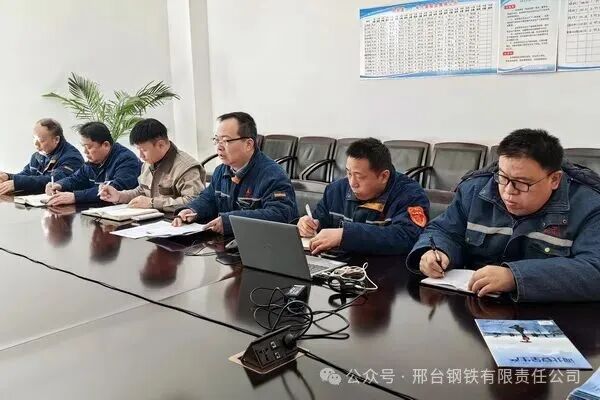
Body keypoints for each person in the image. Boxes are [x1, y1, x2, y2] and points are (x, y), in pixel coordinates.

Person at [407, 129, 600, 302]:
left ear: (555, 179)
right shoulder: (474, 190)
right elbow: (444, 230)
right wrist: (436, 251)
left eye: (522, 183)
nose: (508, 191)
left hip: (557, 316)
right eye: (502, 177)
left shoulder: (590, 206)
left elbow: (594, 269)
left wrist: (515, 277)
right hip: (475, 305)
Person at [297, 138, 429, 255]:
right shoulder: (336, 189)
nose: (352, 183)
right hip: (338, 267)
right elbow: (320, 220)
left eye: (359, 176)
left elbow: (406, 237)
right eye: (349, 173)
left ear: (383, 176)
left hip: (384, 269)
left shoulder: (410, 195)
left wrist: (345, 235)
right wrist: (309, 225)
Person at [172, 112, 298, 234]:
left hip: (261, 243)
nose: (219, 147)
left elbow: (280, 214)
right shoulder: (221, 171)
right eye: (217, 140)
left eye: (226, 141)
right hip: (227, 242)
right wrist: (192, 210)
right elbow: (208, 199)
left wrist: (230, 221)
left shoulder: (273, 175)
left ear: (248, 144)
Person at [99, 118, 205, 212]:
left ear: (161, 145)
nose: (141, 156)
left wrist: (153, 203)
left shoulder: (186, 167)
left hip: (177, 223)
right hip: (153, 221)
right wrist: (119, 196)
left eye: (144, 150)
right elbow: (142, 191)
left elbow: (195, 201)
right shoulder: (149, 163)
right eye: (138, 150)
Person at [45, 121, 141, 206]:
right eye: (83, 147)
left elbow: (114, 189)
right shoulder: (93, 162)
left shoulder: (126, 159)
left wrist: (75, 197)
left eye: (89, 147)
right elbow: (76, 179)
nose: (85, 151)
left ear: (106, 145)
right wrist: (60, 184)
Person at [0, 118, 83, 195]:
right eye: (34, 138)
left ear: (56, 139)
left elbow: (52, 180)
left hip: (65, 204)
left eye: (41, 140)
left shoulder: (72, 158)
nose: (36, 144)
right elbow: (26, 174)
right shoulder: (39, 154)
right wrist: (8, 177)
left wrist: (17, 183)